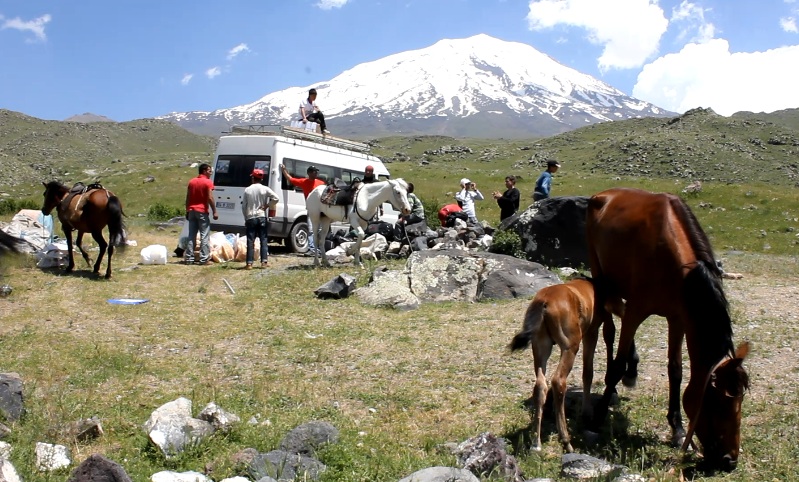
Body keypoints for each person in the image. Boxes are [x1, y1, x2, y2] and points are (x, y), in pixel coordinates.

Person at [280, 164, 325, 255]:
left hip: (322, 210)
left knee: (320, 230)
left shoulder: (321, 183)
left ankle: (320, 249)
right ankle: (312, 249)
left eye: (316, 171)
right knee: (311, 229)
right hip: (311, 210)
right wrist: (284, 170)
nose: (316, 173)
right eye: (313, 171)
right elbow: (290, 179)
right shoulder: (304, 182)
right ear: (309, 173)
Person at [242, 168, 279, 270]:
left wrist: (246, 217)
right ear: (261, 179)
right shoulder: (265, 189)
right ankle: (264, 262)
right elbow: (276, 198)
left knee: (250, 240)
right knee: (263, 239)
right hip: (261, 216)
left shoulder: (247, 189)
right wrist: (267, 205)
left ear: (253, 178)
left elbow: (244, 206)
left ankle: (249, 263)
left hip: (250, 217)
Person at [184, 163, 218, 265]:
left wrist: (187, 210)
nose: (211, 173)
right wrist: (214, 211)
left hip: (191, 210)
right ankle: (204, 259)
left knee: (191, 235)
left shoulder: (192, 182)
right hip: (202, 211)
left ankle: (189, 258)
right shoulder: (208, 182)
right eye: (209, 171)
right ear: (204, 171)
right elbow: (210, 197)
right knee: (204, 235)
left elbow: (188, 197)